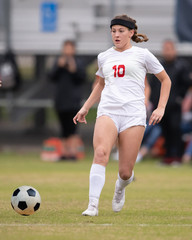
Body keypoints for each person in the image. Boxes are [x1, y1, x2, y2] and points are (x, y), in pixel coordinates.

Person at [73, 15, 171, 216]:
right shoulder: (104, 56)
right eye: (113, 31)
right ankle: (93, 205)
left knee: (125, 172)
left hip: (133, 114)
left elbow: (166, 80)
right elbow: (100, 84)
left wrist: (160, 107)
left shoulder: (143, 55)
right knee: (100, 153)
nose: (116, 35)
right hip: (108, 111)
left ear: (131, 32)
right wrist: (85, 107)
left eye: (121, 31)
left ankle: (120, 187)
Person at [149, 40, 192, 164]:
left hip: (174, 105)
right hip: (160, 106)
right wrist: (154, 100)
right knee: (165, 130)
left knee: (175, 129)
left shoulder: (181, 66)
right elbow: (154, 85)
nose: (167, 51)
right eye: (165, 48)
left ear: (174, 50)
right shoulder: (159, 66)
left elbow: (186, 84)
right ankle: (168, 156)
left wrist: (179, 98)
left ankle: (177, 156)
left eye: (169, 48)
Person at [49, 40, 85, 159]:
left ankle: (73, 153)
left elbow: (82, 78)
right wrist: (59, 66)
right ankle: (64, 153)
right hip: (61, 100)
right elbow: (51, 76)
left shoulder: (78, 62)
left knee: (73, 128)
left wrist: (73, 69)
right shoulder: (58, 61)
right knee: (63, 128)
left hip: (73, 101)